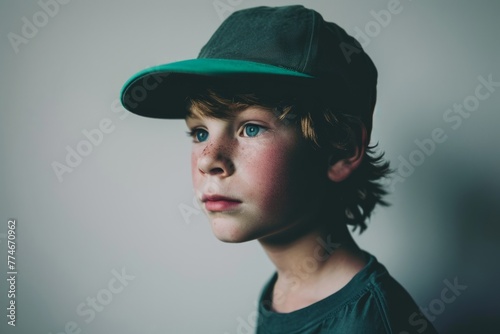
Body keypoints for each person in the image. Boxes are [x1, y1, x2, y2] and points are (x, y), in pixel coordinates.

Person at [120, 5, 438, 333]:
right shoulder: (281, 293)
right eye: (200, 133)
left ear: (340, 150)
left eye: (251, 128)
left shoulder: (372, 323)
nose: (207, 160)